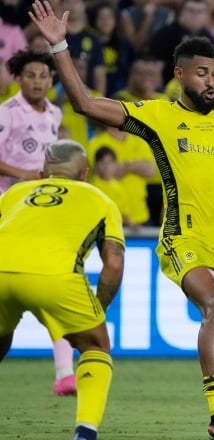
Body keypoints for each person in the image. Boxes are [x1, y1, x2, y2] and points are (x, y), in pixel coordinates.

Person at [29, 1, 214, 439]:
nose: (210, 81)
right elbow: (84, 103)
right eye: (200, 73)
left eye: (213, 72)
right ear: (180, 76)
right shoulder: (158, 116)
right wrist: (59, 43)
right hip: (182, 240)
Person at [0, 139, 125, 440]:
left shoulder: (14, 193)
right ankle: (85, 432)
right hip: (56, 277)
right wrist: (98, 310)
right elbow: (114, 264)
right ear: (84, 174)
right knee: (96, 346)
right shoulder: (100, 198)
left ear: (43, 174)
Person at [0, 48, 78, 396]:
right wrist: (28, 175)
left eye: (44, 76)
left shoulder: (55, 113)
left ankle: (64, 373)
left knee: (57, 280)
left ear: (51, 80)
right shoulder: (7, 113)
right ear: (18, 77)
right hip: (8, 209)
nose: (37, 81)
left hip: (43, 209)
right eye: (30, 75)